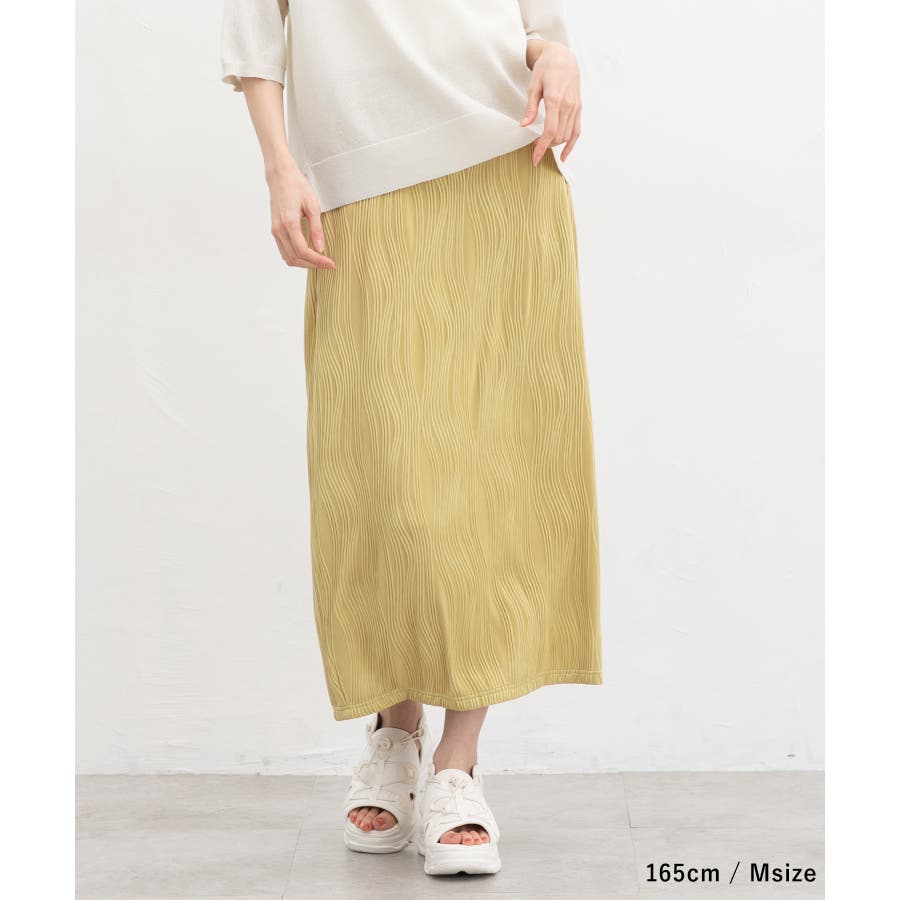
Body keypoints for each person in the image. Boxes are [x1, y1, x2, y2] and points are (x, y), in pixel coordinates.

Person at [221, 0, 602, 877]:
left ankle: (457, 765)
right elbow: (253, 27)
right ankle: (396, 732)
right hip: (361, 180)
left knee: (490, 470)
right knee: (382, 476)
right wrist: (279, 165)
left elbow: (537, 19)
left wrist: (553, 52)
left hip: (503, 162)